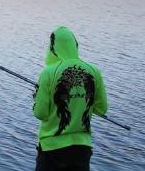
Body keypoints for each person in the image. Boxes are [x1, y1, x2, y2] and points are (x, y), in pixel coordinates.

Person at [33, 26, 107, 171]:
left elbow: (40, 113)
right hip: (82, 149)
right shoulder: (93, 71)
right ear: (75, 45)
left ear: (53, 47)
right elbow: (101, 109)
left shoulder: (48, 72)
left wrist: (37, 96)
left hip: (51, 149)